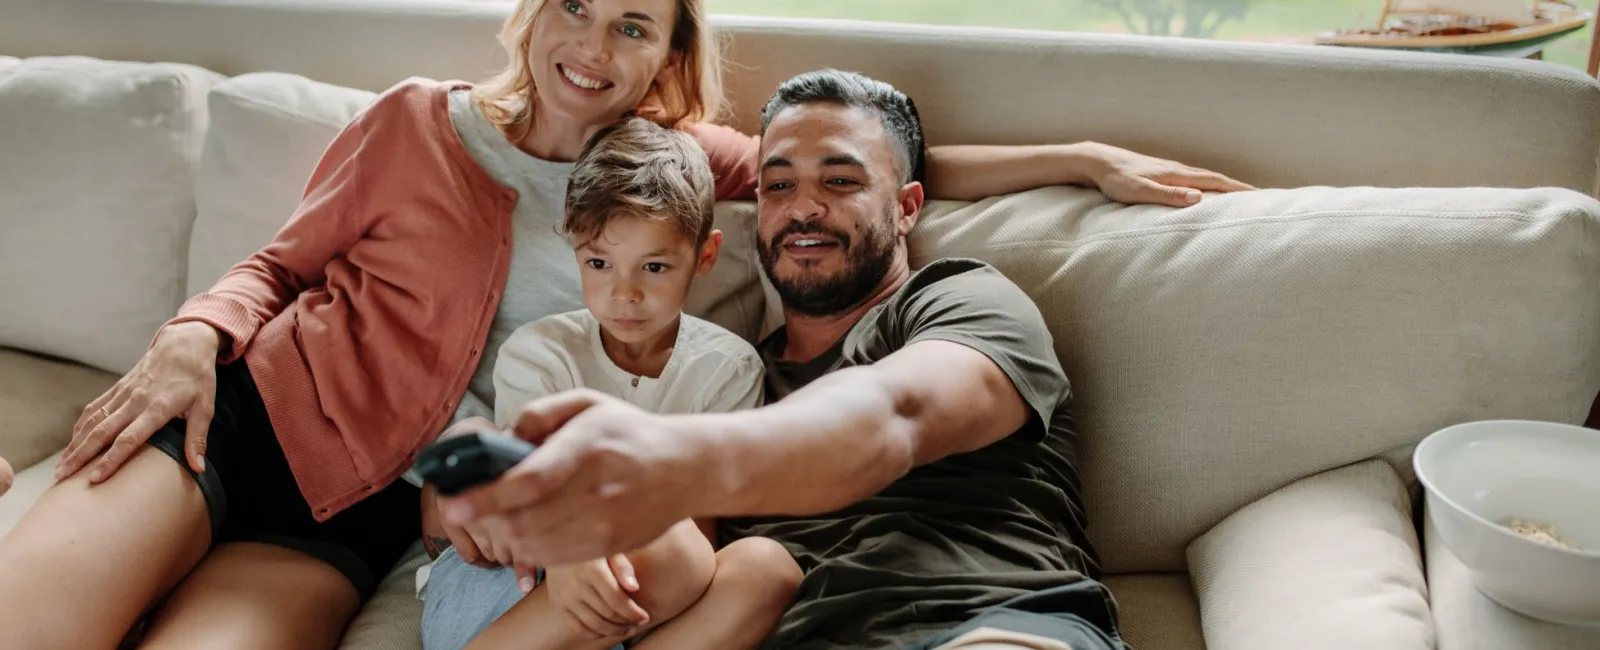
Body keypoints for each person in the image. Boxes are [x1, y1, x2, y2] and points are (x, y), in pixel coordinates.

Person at [0, 0, 1246, 646]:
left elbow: (846, 164)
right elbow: (278, 263)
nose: (593, 48)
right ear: (533, 16)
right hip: (244, 420)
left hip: (365, 506)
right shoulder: (415, 121)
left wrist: (1079, 155)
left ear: (663, 55)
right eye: (577, 9)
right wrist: (189, 334)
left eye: (633, 27)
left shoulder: (678, 166)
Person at [443, 68, 1128, 650]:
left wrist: (667, 458)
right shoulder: (730, 379)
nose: (804, 209)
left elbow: (892, 416)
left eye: (839, 182)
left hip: (984, 624)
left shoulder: (961, 302)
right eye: (777, 185)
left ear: (907, 207)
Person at [417, 116, 801, 650]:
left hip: (645, 590)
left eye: (654, 267)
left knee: (767, 568)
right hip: (518, 581)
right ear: (575, 252)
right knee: (668, 543)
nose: (625, 294)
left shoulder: (727, 367)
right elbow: (528, 499)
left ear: (704, 256)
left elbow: (697, 540)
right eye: (600, 263)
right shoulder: (540, 351)